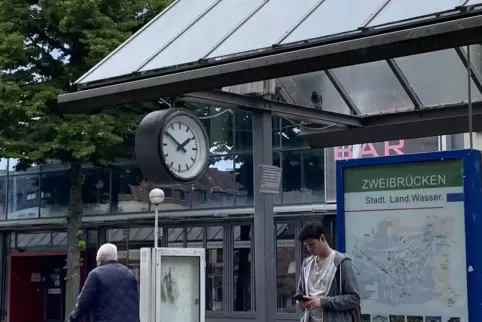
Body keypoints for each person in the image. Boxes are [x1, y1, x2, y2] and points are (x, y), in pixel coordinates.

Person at [297, 221, 361, 322]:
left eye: (312, 244)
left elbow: (354, 298)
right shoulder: (307, 264)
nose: (309, 248)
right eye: (306, 245)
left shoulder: (341, 263)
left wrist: (323, 302)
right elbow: (300, 291)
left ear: (322, 238)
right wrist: (300, 302)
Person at [69, 243, 139, 322]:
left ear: (100, 261)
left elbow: (83, 303)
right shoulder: (129, 274)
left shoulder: (96, 274)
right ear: (116, 258)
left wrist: (73, 318)